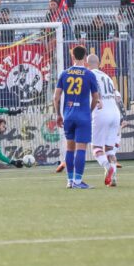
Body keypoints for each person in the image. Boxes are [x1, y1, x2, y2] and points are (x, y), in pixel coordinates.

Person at [53, 45, 100, 189]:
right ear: (85, 57)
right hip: (83, 116)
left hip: (68, 115)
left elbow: (56, 97)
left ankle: (69, 181)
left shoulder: (64, 73)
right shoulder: (89, 74)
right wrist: (89, 111)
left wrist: (58, 114)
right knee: (81, 149)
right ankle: (78, 182)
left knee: (69, 148)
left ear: (72, 57)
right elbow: (96, 97)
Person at [86, 54, 121, 187]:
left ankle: (108, 167)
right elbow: (117, 96)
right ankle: (114, 178)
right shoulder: (107, 77)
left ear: (86, 64)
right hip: (115, 113)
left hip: (101, 112)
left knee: (96, 147)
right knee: (110, 149)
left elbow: (93, 96)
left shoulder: (88, 75)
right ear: (99, 63)